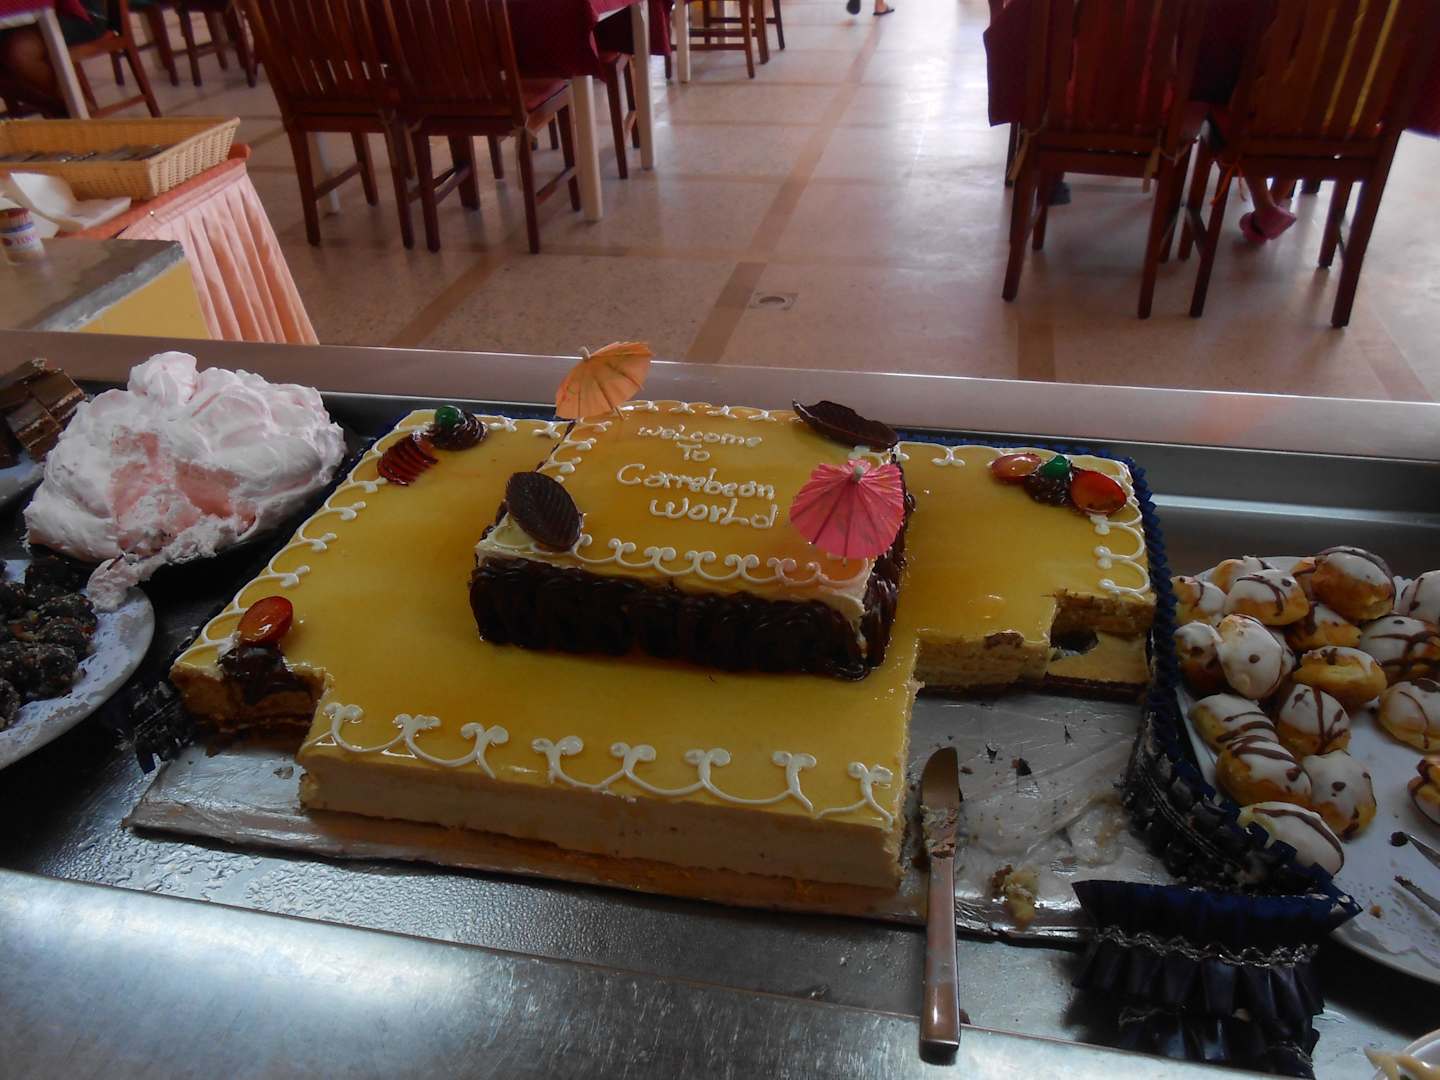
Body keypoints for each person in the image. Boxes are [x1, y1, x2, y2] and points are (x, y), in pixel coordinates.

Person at [0, 1, 105, 118]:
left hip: (78, 13)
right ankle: (69, 110)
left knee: (21, 53)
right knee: (13, 55)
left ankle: (80, 111)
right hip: (21, 21)